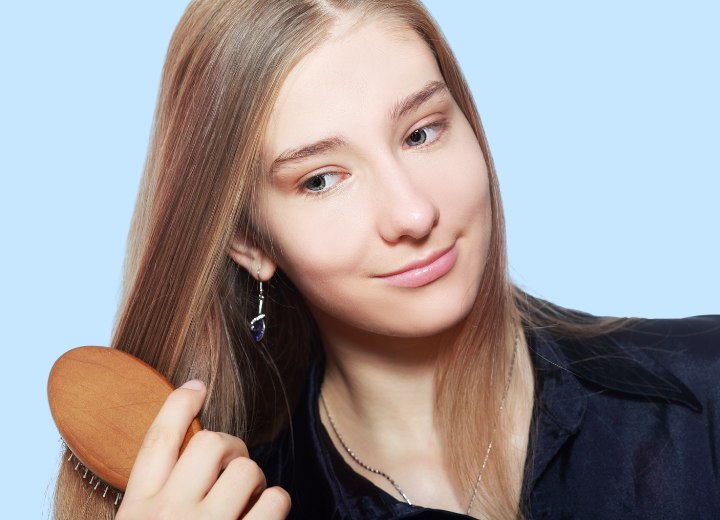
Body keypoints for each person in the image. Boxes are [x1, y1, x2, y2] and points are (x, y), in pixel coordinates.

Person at [52, 1, 720, 518]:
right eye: (320, 178)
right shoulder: (245, 501)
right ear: (251, 243)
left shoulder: (705, 388)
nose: (412, 213)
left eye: (421, 133)